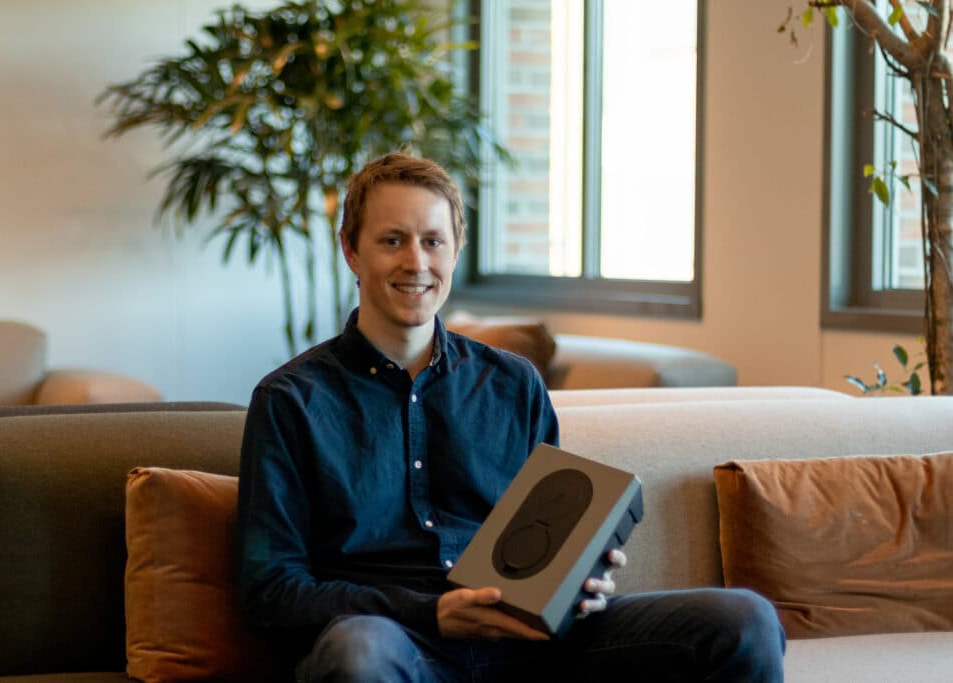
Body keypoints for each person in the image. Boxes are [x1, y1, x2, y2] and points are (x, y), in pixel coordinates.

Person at [237, 152, 785, 682]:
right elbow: (272, 589)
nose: (416, 262)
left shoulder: (514, 383)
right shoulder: (290, 400)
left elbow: (547, 535)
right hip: (400, 645)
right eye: (392, 241)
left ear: (455, 253)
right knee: (357, 655)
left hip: (534, 647)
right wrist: (432, 612)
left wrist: (578, 579)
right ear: (352, 253)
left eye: (433, 241)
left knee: (742, 620)